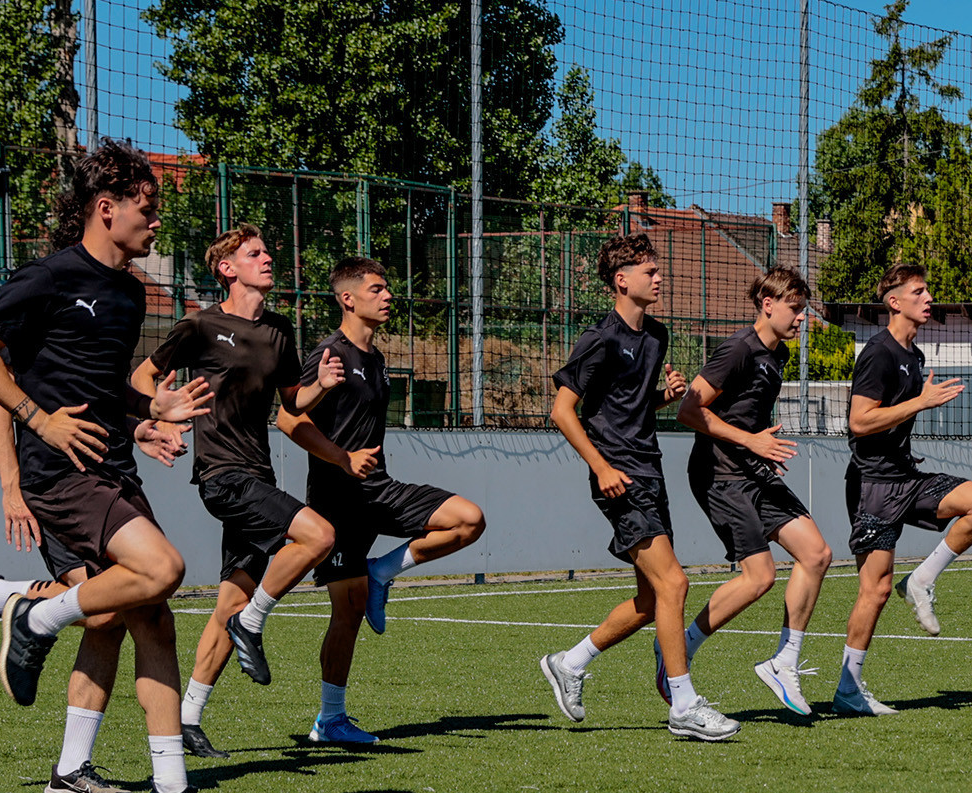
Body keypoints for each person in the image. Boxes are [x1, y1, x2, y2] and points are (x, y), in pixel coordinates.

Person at [0, 140, 226, 793]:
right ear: (106, 209)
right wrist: (36, 428)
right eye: (147, 207)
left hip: (109, 466)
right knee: (162, 569)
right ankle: (33, 617)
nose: (155, 221)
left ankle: (169, 789)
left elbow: (104, 393)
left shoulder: (132, 291)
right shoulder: (47, 277)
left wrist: (144, 423)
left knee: (152, 620)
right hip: (59, 470)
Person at [131, 224, 342, 757]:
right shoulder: (199, 326)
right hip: (222, 476)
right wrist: (157, 421)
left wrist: (323, 386)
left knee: (234, 594)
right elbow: (141, 379)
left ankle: (187, 717)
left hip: (258, 476)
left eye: (268, 251)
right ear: (227, 269)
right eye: (254, 254)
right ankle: (252, 625)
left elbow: (294, 402)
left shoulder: (278, 329)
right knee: (320, 535)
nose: (267, 258)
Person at [277, 258, 487, 743]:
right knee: (346, 612)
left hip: (379, 489)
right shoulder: (329, 352)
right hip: (336, 499)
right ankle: (330, 720)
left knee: (468, 520)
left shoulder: (375, 357)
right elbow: (288, 419)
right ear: (348, 298)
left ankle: (382, 571)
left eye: (387, 285)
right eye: (377, 288)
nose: (388, 294)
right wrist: (341, 457)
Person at [537, 234, 736, 740]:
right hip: (619, 476)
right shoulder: (598, 339)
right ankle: (684, 705)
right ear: (620, 281)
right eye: (650, 270)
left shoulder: (657, 336)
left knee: (651, 601)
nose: (659, 276)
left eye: (657, 269)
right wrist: (601, 468)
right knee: (676, 584)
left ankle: (570, 662)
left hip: (649, 470)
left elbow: (629, 407)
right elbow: (562, 411)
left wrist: (661, 398)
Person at [0, 396, 187, 793]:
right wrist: (10, 487)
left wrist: (134, 426)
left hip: (112, 479)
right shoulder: (29, 335)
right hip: (62, 483)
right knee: (111, 608)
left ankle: (72, 769)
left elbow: (93, 399)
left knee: (110, 617)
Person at [836, 263, 972, 714]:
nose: (929, 298)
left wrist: (917, 401)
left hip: (907, 478)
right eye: (919, 291)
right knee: (874, 590)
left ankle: (923, 580)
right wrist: (921, 402)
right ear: (894, 301)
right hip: (873, 486)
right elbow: (859, 421)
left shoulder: (915, 356)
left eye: (928, 289)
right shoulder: (878, 353)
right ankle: (848, 690)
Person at [673, 265, 832, 715]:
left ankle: (785, 662)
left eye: (804, 310)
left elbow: (743, 414)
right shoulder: (737, 350)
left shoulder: (776, 353)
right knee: (759, 576)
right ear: (768, 304)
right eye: (795, 309)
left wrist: (760, 448)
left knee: (816, 555)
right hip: (720, 474)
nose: (802, 318)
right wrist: (752, 442)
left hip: (752, 469)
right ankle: (679, 650)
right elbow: (688, 410)